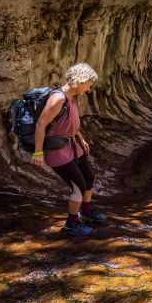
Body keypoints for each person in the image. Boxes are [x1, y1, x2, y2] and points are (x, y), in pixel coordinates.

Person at [31, 63, 106, 236]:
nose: (88, 89)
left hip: (73, 146)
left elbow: (69, 122)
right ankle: (72, 224)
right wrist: (38, 151)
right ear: (81, 81)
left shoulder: (72, 96)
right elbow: (41, 124)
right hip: (58, 151)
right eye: (89, 84)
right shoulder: (58, 99)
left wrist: (81, 139)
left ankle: (86, 211)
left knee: (89, 177)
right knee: (78, 186)